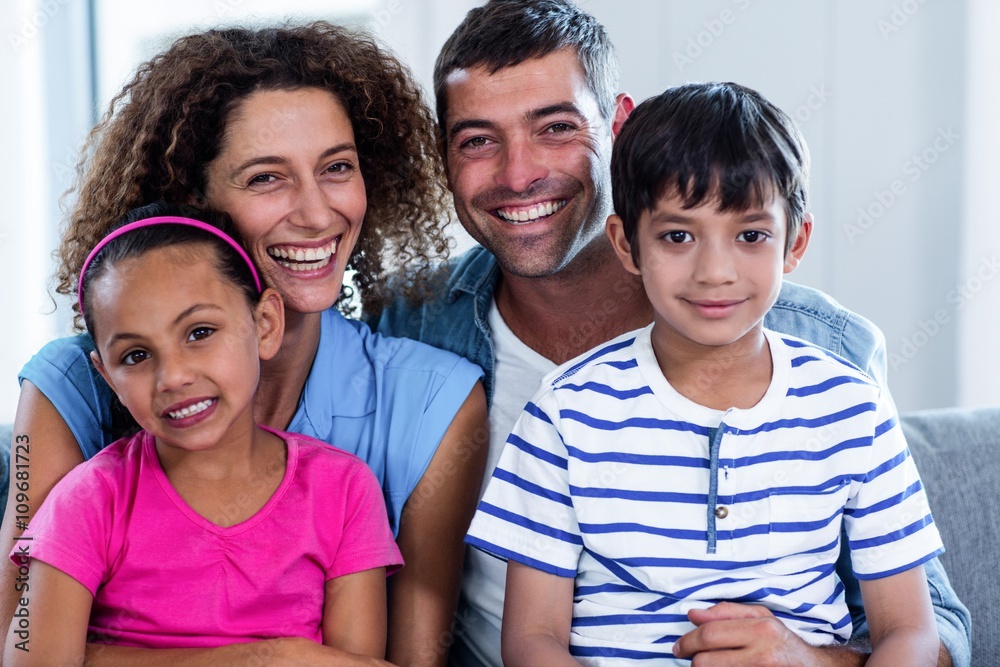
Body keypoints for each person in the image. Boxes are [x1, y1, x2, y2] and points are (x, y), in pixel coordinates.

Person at [373, 1, 971, 665]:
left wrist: (808, 659)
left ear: (619, 126)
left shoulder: (833, 359)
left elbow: (935, 630)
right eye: (478, 140)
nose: (518, 174)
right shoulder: (411, 325)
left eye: (556, 128)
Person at [0, 22, 487, 667]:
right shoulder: (70, 386)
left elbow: (408, 661)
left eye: (337, 168)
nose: (316, 214)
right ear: (192, 200)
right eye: (265, 179)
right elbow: (18, 638)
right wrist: (267, 659)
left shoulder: (433, 402)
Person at [6, 204, 404, 665]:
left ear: (265, 325)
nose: (172, 377)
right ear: (107, 376)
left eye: (199, 332)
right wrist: (270, 659)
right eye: (136, 356)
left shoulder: (345, 490)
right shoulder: (89, 499)